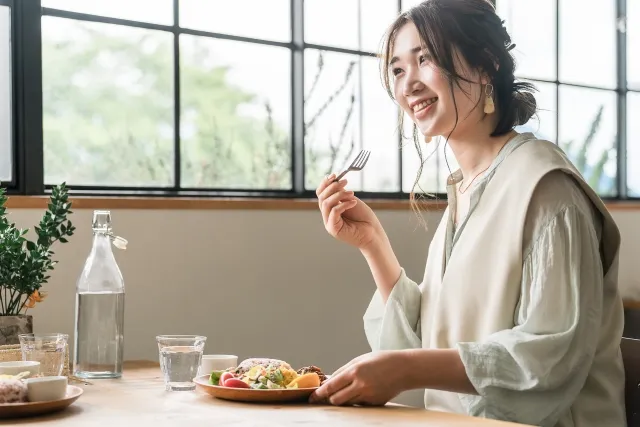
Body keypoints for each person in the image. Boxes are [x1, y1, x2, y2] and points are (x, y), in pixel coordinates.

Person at [309, 1, 627, 426]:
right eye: (398, 69)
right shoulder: (470, 186)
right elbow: (431, 342)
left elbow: (549, 357)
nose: (408, 85)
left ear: (484, 65)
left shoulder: (547, 188)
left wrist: (403, 369)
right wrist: (373, 245)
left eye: (425, 59)